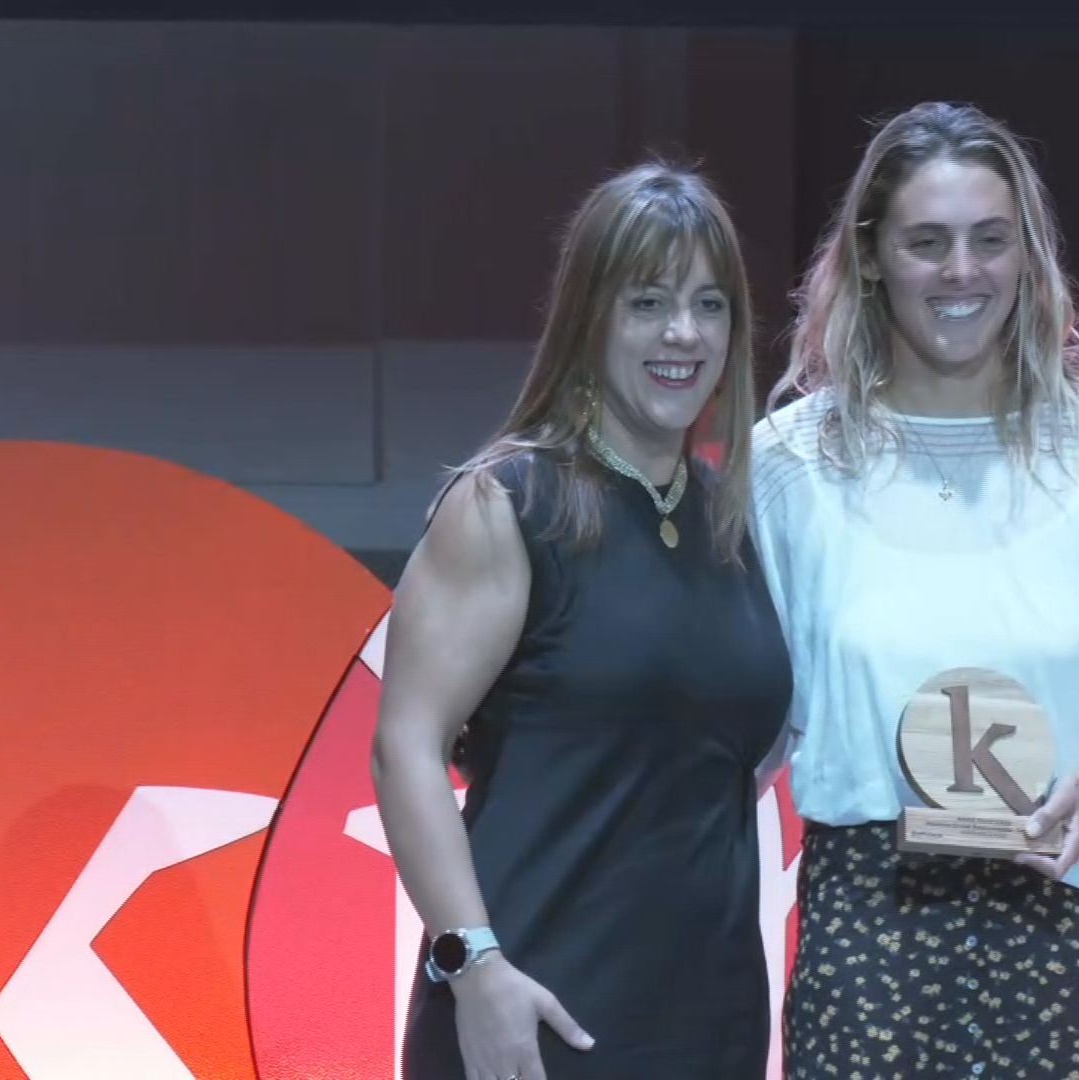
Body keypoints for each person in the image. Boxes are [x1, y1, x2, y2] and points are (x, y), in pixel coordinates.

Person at [753, 101, 1079, 1077]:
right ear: (872, 257)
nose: (961, 271)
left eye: (990, 240)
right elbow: (744, 724)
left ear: (1028, 256)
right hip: (871, 937)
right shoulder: (792, 464)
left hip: (1075, 927)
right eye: (927, 242)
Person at [373, 162, 792, 1080]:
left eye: (709, 305)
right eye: (648, 303)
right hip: (528, 1023)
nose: (683, 333)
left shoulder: (733, 522)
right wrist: (475, 968)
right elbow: (405, 746)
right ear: (589, 316)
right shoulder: (508, 504)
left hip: (706, 1025)